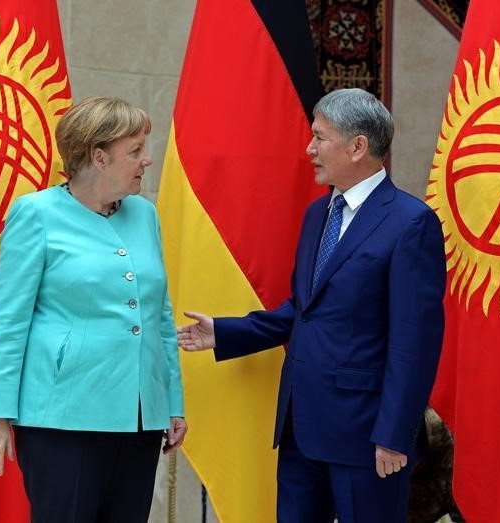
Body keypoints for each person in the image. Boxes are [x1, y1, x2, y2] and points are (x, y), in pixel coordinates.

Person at [177, 88, 445, 522]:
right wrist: (226, 332)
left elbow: (414, 341)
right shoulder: (318, 215)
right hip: (300, 427)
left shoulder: (411, 223)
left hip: (367, 436)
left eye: (320, 138)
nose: (310, 149)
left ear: (358, 146)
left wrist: (395, 434)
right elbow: (305, 310)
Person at [0, 97, 186, 523]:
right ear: (98, 156)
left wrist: (172, 402)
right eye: (136, 151)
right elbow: (9, 322)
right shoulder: (35, 214)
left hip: (140, 417)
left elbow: (160, 317)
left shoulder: (145, 215)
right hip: (61, 420)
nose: (147, 161)